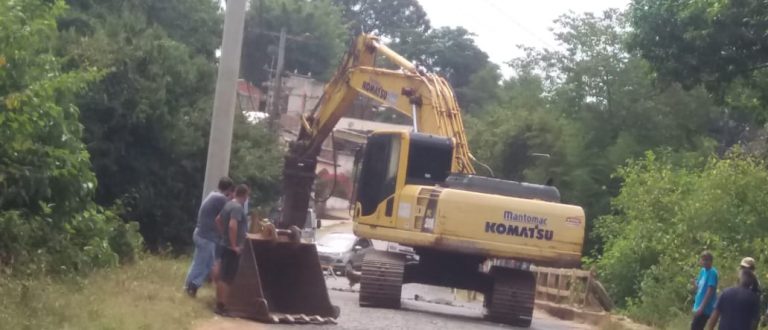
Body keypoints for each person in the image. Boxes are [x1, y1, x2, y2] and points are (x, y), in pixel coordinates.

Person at [183, 177, 234, 297]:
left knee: (199, 262)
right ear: (229, 189)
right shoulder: (221, 199)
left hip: (200, 233)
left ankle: (189, 285)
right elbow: (229, 214)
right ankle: (193, 286)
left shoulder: (213, 195)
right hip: (207, 236)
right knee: (206, 263)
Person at [214, 184, 250, 314]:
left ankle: (219, 303)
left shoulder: (228, 204)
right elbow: (232, 226)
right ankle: (222, 306)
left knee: (222, 275)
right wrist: (234, 245)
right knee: (227, 277)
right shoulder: (237, 208)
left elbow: (218, 220)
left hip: (224, 244)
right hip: (231, 248)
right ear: (245, 195)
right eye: (247, 195)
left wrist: (223, 235)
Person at [691, 251, 719, 330]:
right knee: (695, 326)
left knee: (696, 327)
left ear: (711, 261)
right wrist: (694, 284)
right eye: (703, 260)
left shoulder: (712, 273)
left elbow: (710, 291)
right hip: (698, 304)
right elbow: (699, 287)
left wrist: (701, 307)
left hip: (705, 308)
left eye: (707, 260)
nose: (705, 262)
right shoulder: (703, 271)